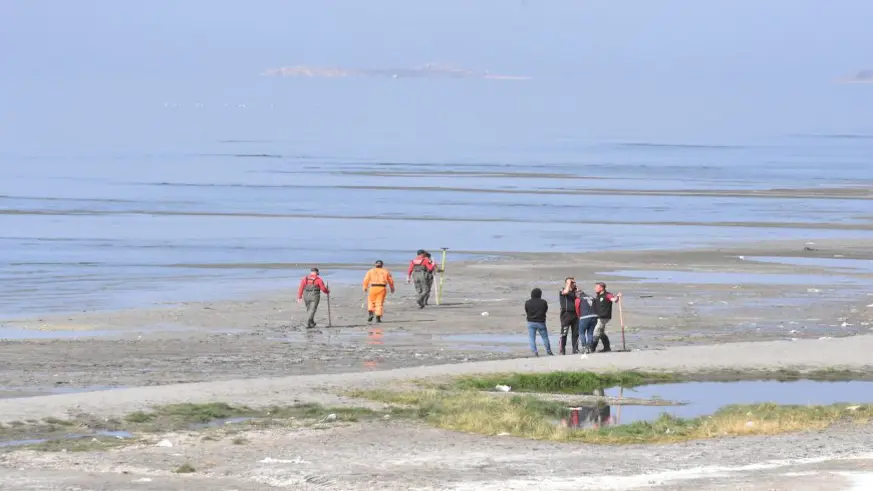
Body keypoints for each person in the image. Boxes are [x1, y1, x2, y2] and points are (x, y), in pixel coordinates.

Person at [591, 282, 621, 352]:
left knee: (596, 331)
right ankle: (607, 348)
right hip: (598, 316)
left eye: (596, 287)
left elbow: (614, 300)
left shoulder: (607, 295)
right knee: (601, 333)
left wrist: (618, 296)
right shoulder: (598, 295)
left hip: (604, 316)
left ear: (601, 288)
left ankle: (592, 348)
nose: (595, 288)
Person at [524, 288, 552, 356]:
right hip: (541, 322)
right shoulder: (543, 302)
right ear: (540, 294)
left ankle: (535, 352)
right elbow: (545, 310)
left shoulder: (527, 302)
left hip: (531, 322)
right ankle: (548, 351)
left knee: (532, 338)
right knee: (545, 337)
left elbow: (526, 311)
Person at [558, 278, 580, 355]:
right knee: (564, 333)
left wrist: (576, 289)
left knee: (575, 333)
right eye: (572, 282)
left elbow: (581, 297)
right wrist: (568, 283)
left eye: (574, 282)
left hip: (576, 315)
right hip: (566, 315)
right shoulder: (563, 290)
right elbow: (566, 292)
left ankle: (575, 349)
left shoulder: (576, 291)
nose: (573, 283)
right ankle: (562, 350)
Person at [576, 288, 598, 354]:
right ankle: (590, 348)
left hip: (584, 317)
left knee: (581, 333)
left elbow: (577, 308)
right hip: (594, 317)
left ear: (578, 294)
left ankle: (584, 348)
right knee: (590, 333)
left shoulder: (578, 299)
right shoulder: (592, 297)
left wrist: (579, 316)